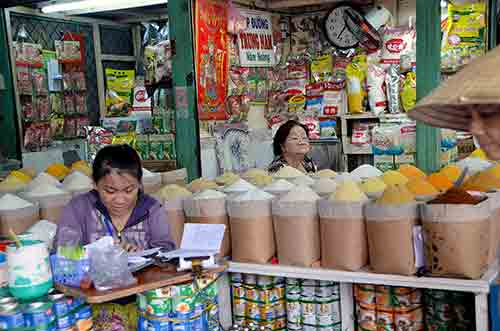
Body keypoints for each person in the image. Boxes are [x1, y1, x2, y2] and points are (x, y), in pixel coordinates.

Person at [54, 144, 175, 252]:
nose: (120, 200)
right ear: (95, 184)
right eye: (110, 191)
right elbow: (63, 252)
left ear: (139, 183)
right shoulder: (79, 208)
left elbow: (166, 253)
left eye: (129, 190)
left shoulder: (152, 209)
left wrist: (142, 255)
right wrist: (96, 253)